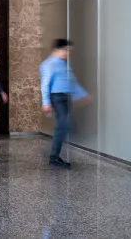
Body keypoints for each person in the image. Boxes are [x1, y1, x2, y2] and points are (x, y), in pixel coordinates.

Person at [39, 39, 90, 168]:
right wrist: (46, 102)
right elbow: (45, 85)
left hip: (66, 97)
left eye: (68, 50)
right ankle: (53, 157)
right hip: (56, 97)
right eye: (65, 50)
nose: (67, 52)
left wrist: (82, 94)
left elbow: (72, 81)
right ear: (56, 50)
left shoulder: (64, 64)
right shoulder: (48, 64)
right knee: (63, 126)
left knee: (65, 126)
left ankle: (53, 153)